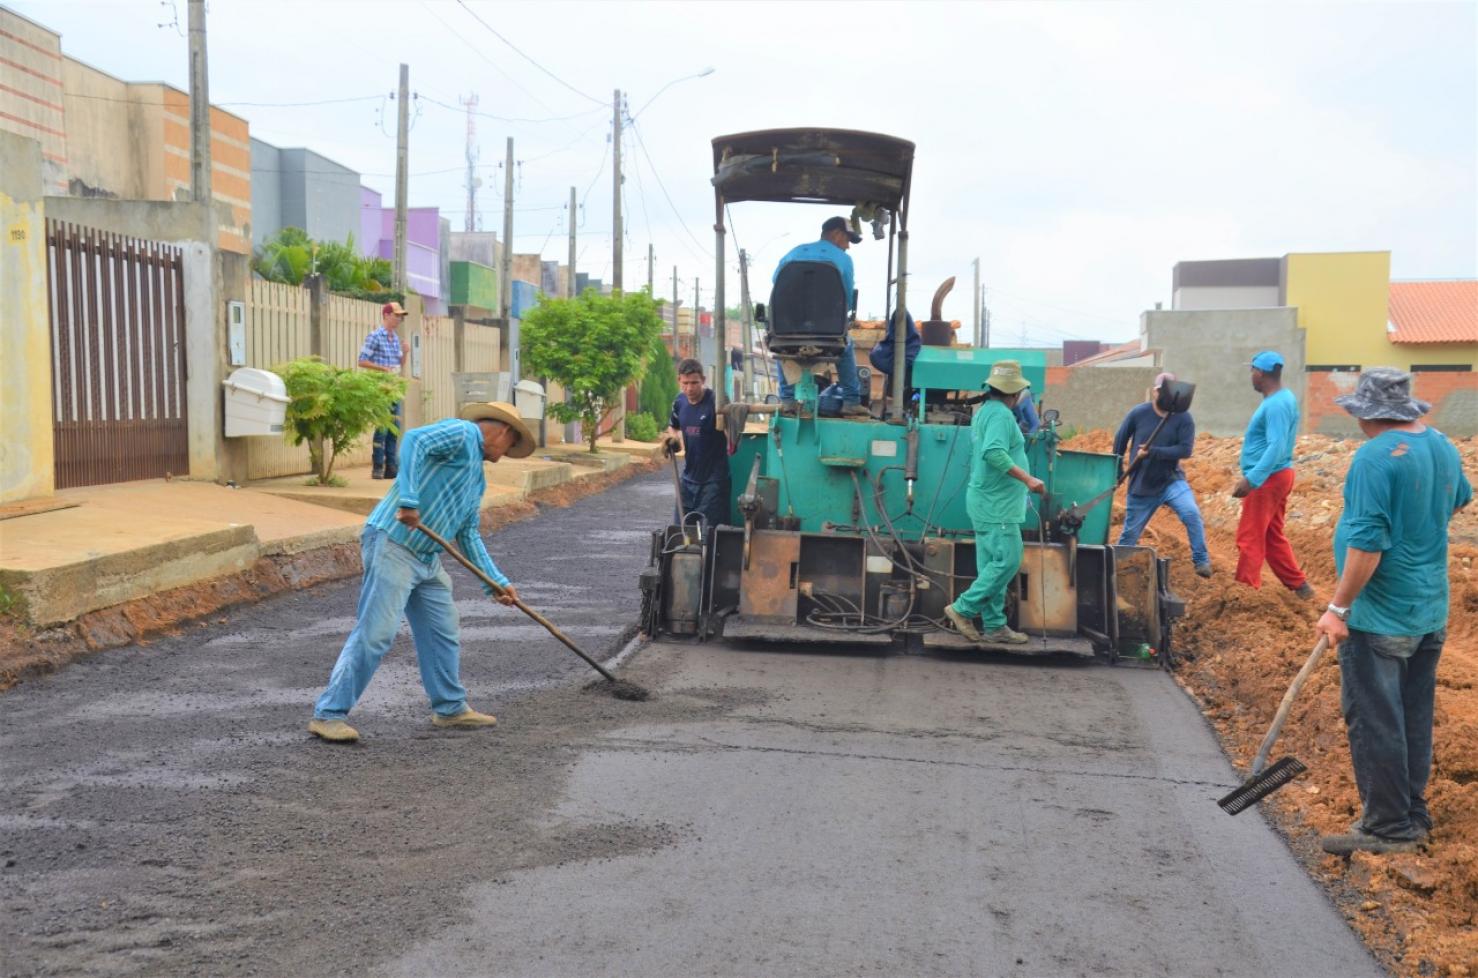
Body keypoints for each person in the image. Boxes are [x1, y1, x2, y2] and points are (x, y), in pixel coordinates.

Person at [307, 402, 535, 744]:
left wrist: (496, 582)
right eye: (510, 446)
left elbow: (468, 534)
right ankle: (329, 714)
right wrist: (409, 500)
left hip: (427, 559)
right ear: (503, 431)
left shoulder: (476, 480)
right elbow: (414, 439)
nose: (504, 456)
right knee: (377, 632)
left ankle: (450, 707)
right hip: (394, 544)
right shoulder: (462, 433)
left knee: (443, 630)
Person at [1314, 369, 1470, 855]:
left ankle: (1387, 827)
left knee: (1376, 716)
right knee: (1411, 713)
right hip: (1428, 610)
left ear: (1366, 413)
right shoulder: (1442, 444)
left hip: (1379, 617)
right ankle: (1411, 811)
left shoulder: (1376, 458)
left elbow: (1367, 544)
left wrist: (1338, 608)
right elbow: (1461, 496)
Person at [943, 360, 1046, 646]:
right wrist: (1028, 479)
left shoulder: (986, 411)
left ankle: (995, 625)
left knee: (992, 565)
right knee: (1009, 560)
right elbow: (994, 453)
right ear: (1015, 393)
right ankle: (963, 609)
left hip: (985, 500)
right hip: (997, 504)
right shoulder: (1001, 416)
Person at [1113, 372, 1212, 577]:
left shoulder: (1183, 418)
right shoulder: (1138, 413)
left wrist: (1154, 452)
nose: (1163, 396)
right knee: (1129, 536)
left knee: (1191, 513)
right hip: (1141, 483)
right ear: (1155, 392)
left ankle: (1201, 561)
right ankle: (1115, 571)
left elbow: (1185, 450)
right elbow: (1120, 441)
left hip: (1171, 481)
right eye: (1160, 391)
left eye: (1167, 392)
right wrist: (1117, 469)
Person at [1232, 350, 1313, 596]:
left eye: (1252, 371)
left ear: (1261, 373)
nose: (1251, 376)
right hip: (1277, 475)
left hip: (1267, 479)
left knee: (1250, 536)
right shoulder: (1282, 398)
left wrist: (1252, 478)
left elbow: (1276, 446)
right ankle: (1299, 585)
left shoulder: (1277, 405)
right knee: (1271, 535)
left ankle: (1246, 592)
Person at [772, 216, 868, 417]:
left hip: (787, 332)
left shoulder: (793, 254)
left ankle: (787, 400)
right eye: (847, 240)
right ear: (836, 234)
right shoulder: (843, 260)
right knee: (846, 345)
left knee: (780, 349)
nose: (848, 247)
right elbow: (847, 300)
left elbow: (777, 286)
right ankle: (851, 401)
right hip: (830, 335)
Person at [663, 358, 731, 533]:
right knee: (680, 530)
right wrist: (673, 439)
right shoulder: (679, 402)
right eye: (685, 383)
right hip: (688, 479)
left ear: (703, 380)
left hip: (714, 481)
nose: (689, 388)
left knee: (710, 534)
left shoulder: (717, 402)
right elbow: (673, 426)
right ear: (679, 380)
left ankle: (706, 560)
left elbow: (733, 436)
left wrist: (730, 430)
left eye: (694, 383)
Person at [359, 301, 410, 479]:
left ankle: (391, 467)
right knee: (382, 427)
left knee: (394, 427)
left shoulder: (395, 338)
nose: (399, 319)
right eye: (396, 315)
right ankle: (378, 466)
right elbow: (362, 360)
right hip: (381, 387)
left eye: (400, 317)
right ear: (386, 315)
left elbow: (400, 364)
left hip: (394, 387)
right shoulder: (375, 336)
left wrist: (406, 353)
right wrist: (383, 369)